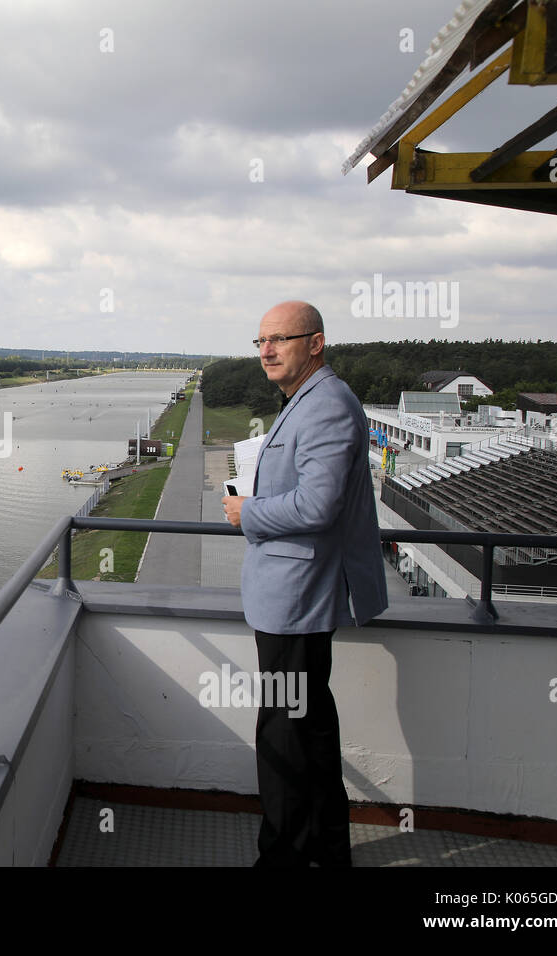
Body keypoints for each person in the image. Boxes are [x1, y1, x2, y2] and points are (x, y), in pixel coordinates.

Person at [222, 301, 387, 868]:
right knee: (308, 732)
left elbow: (319, 505)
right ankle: (325, 851)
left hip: (297, 599)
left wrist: (250, 512)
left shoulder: (326, 406)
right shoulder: (308, 401)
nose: (266, 350)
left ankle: (285, 857)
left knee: (284, 740)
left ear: (315, 344)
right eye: (260, 340)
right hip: (296, 596)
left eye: (280, 339)